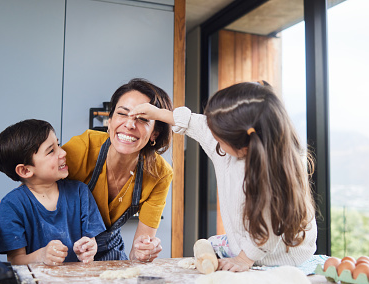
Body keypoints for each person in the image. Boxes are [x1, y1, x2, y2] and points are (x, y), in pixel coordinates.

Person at [0, 78, 173, 262]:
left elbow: (137, 252)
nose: (130, 124)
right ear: (110, 120)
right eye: (122, 113)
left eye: (143, 118)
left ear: (155, 133)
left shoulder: (160, 175)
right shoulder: (83, 149)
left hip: (108, 253)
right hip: (63, 257)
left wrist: (144, 253)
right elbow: (27, 192)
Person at [130, 81, 317, 272]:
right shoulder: (235, 144)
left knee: (248, 249)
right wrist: (158, 113)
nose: (212, 136)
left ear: (242, 146)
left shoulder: (266, 179)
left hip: (279, 254)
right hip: (252, 238)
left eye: (217, 135)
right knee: (210, 243)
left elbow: (267, 231)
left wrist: (244, 259)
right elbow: (199, 125)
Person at [0, 119, 105, 265]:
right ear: (25, 170)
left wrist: (89, 248)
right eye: (51, 151)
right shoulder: (11, 205)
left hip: (77, 282)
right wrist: (41, 256)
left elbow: (91, 241)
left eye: (58, 144)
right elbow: (16, 260)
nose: (63, 152)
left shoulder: (80, 192)